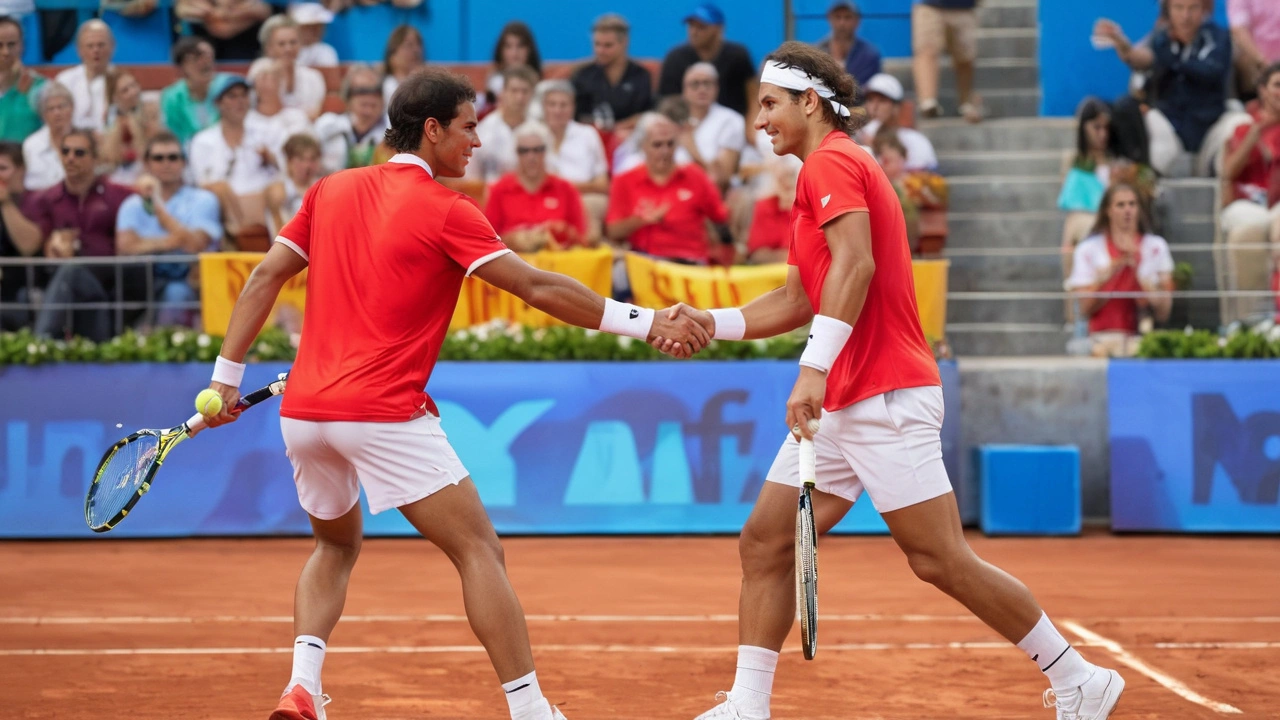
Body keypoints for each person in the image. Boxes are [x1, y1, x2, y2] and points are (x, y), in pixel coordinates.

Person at [195, 67, 709, 720]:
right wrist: (645, 320)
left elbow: (266, 275)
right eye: (469, 128)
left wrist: (225, 380)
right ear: (432, 129)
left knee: (333, 545)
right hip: (381, 414)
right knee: (478, 550)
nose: (477, 142)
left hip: (304, 416)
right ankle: (530, 709)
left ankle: (302, 686)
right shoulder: (446, 210)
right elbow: (538, 288)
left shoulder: (330, 189)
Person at [649, 41, 1125, 720]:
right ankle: (748, 705)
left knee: (939, 560)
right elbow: (795, 299)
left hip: (885, 394)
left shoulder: (833, 161)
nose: (760, 121)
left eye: (770, 104)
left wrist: (811, 370)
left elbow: (857, 267)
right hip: (845, 398)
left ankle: (1078, 677)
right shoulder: (819, 176)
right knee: (765, 540)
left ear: (809, 102)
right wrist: (710, 322)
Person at [116, 131, 222, 326]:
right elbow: (125, 247)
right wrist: (169, 242)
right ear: (147, 164)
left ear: (183, 162)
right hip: (141, 281)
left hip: (186, 280)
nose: (166, 163)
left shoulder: (204, 199)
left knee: (176, 293)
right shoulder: (131, 203)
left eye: (173, 157)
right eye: (158, 158)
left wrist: (156, 205)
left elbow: (194, 244)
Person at [605, 111, 729, 265]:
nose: (665, 151)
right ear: (643, 146)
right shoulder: (623, 180)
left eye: (670, 144)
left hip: (690, 260)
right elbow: (613, 231)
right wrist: (639, 220)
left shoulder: (695, 175)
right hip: (644, 261)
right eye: (657, 145)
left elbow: (720, 216)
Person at [1067, 182, 1175, 357]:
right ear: (1108, 210)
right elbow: (1085, 309)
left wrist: (1139, 276)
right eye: (1120, 205)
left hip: (1142, 338)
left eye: (1132, 204)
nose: (1128, 210)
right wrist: (1114, 270)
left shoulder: (1156, 247)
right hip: (1099, 339)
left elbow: (1164, 311)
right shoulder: (1088, 250)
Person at [1218, 62, 1280, 322]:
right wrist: (1256, 134)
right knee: (1255, 227)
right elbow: (1228, 173)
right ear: (1263, 90)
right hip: (1246, 206)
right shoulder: (1244, 127)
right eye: (1277, 85)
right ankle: (1249, 321)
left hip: (1277, 207)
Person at [484, 121, 590, 251]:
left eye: (537, 150)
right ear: (516, 153)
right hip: (513, 264)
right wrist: (513, 239)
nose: (531, 156)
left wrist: (561, 232)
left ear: (547, 151)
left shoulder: (566, 189)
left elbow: (582, 239)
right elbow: (487, 241)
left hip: (556, 263)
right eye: (524, 151)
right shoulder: (499, 190)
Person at [657, 3, 756, 116]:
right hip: (687, 124)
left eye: (701, 27)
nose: (694, 32)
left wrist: (751, 129)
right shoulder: (675, 58)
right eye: (691, 26)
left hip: (733, 125)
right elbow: (667, 101)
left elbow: (752, 96)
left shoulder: (738, 56)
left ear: (719, 29)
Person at [571, 14, 653, 131]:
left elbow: (645, 115)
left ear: (624, 42)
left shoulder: (641, 75)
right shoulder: (582, 75)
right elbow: (575, 115)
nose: (600, 50)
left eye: (608, 45)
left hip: (630, 137)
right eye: (597, 44)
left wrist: (618, 129)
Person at [314, 64, 388, 174]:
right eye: (361, 91)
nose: (369, 97)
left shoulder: (393, 130)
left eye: (376, 91)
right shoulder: (327, 126)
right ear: (347, 98)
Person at [0, 140, 42, 330]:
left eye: (3, 168)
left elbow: (29, 246)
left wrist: (5, 204)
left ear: (21, 170)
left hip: (25, 293)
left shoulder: (35, 201)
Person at [160, 37, 229, 147]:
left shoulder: (227, 88)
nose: (204, 62)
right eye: (196, 58)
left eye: (208, 56)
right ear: (181, 67)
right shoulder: (172, 97)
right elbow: (173, 137)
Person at [54, 19, 114, 131]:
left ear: (112, 47)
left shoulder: (120, 79)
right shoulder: (64, 80)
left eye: (101, 45)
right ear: (79, 50)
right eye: (90, 46)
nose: (96, 50)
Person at [814, 0, 881, 86]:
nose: (842, 23)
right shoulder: (817, 52)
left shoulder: (869, 55)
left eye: (847, 17)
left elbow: (871, 89)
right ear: (830, 19)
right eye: (838, 17)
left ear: (857, 21)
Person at [0, 14, 45, 143]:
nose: (6, 52)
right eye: (0, 45)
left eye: (11, 44)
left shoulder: (40, 87)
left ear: (22, 46)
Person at [22, 82, 74, 191]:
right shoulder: (31, 145)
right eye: (50, 109)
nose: (57, 113)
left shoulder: (86, 138)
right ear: (43, 114)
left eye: (62, 106)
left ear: (72, 108)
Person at [485, 21, 542, 115]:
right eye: (508, 46)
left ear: (530, 50)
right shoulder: (494, 83)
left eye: (520, 46)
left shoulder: (542, 84)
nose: (514, 53)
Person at [381, 25, 425, 108]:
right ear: (393, 55)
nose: (416, 50)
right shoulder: (386, 87)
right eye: (409, 45)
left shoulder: (428, 86)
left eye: (419, 44)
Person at [290, 3, 338, 68]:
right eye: (310, 27)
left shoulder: (326, 51)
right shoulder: (289, 50)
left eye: (320, 26)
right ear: (298, 28)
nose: (316, 31)